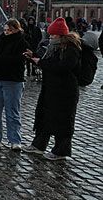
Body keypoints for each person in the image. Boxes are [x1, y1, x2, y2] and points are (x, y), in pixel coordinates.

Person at [23, 18, 82, 160]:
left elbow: (62, 66)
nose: (50, 38)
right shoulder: (54, 47)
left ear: (61, 35)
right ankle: (39, 145)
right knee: (44, 116)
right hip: (51, 88)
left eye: (52, 35)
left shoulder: (71, 48)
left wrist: (41, 62)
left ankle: (61, 150)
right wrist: (35, 58)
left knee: (62, 121)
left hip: (65, 91)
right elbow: (49, 62)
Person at [0, 19, 29, 150]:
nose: (7, 32)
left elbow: (16, 60)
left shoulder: (22, 42)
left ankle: (15, 140)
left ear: (16, 29)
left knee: (12, 111)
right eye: (5, 30)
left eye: (9, 30)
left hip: (13, 81)